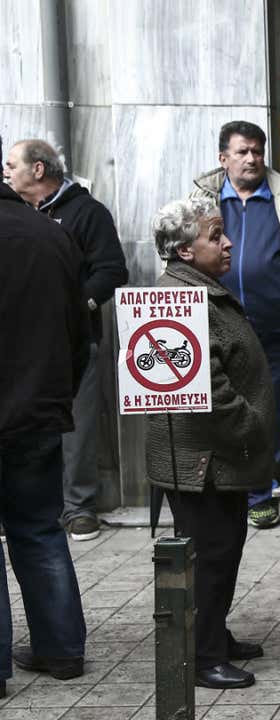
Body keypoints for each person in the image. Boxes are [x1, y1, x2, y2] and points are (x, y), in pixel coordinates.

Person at [147, 198, 276, 689]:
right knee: (211, 554)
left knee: (222, 549)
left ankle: (214, 635)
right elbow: (201, 387)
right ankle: (201, 657)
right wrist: (251, 424)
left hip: (215, 459)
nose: (227, 243)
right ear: (184, 249)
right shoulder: (179, 299)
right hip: (201, 460)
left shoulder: (199, 288)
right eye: (215, 235)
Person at [191, 120, 280, 531]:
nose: (252, 159)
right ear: (223, 158)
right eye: (243, 151)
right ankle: (230, 490)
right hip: (218, 325)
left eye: (257, 151)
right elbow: (181, 254)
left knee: (271, 411)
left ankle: (261, 493)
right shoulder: (201, 203)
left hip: (275, 325)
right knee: (223, 407)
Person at [3, 139, 129, 543]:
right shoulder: (17, 214)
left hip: (74, 340)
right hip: (21, 345)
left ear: (38, 170)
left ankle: (79, 508)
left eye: (11, 165)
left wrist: (74, 307)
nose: (6, 173)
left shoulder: (87, 212)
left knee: (78, 424)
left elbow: (112, 269)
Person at [0, 149, 88, 692]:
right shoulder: (49, 233)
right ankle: (62, 651)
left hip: (28, 409)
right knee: (38, 531)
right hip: (36, 414)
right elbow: (79, 334)